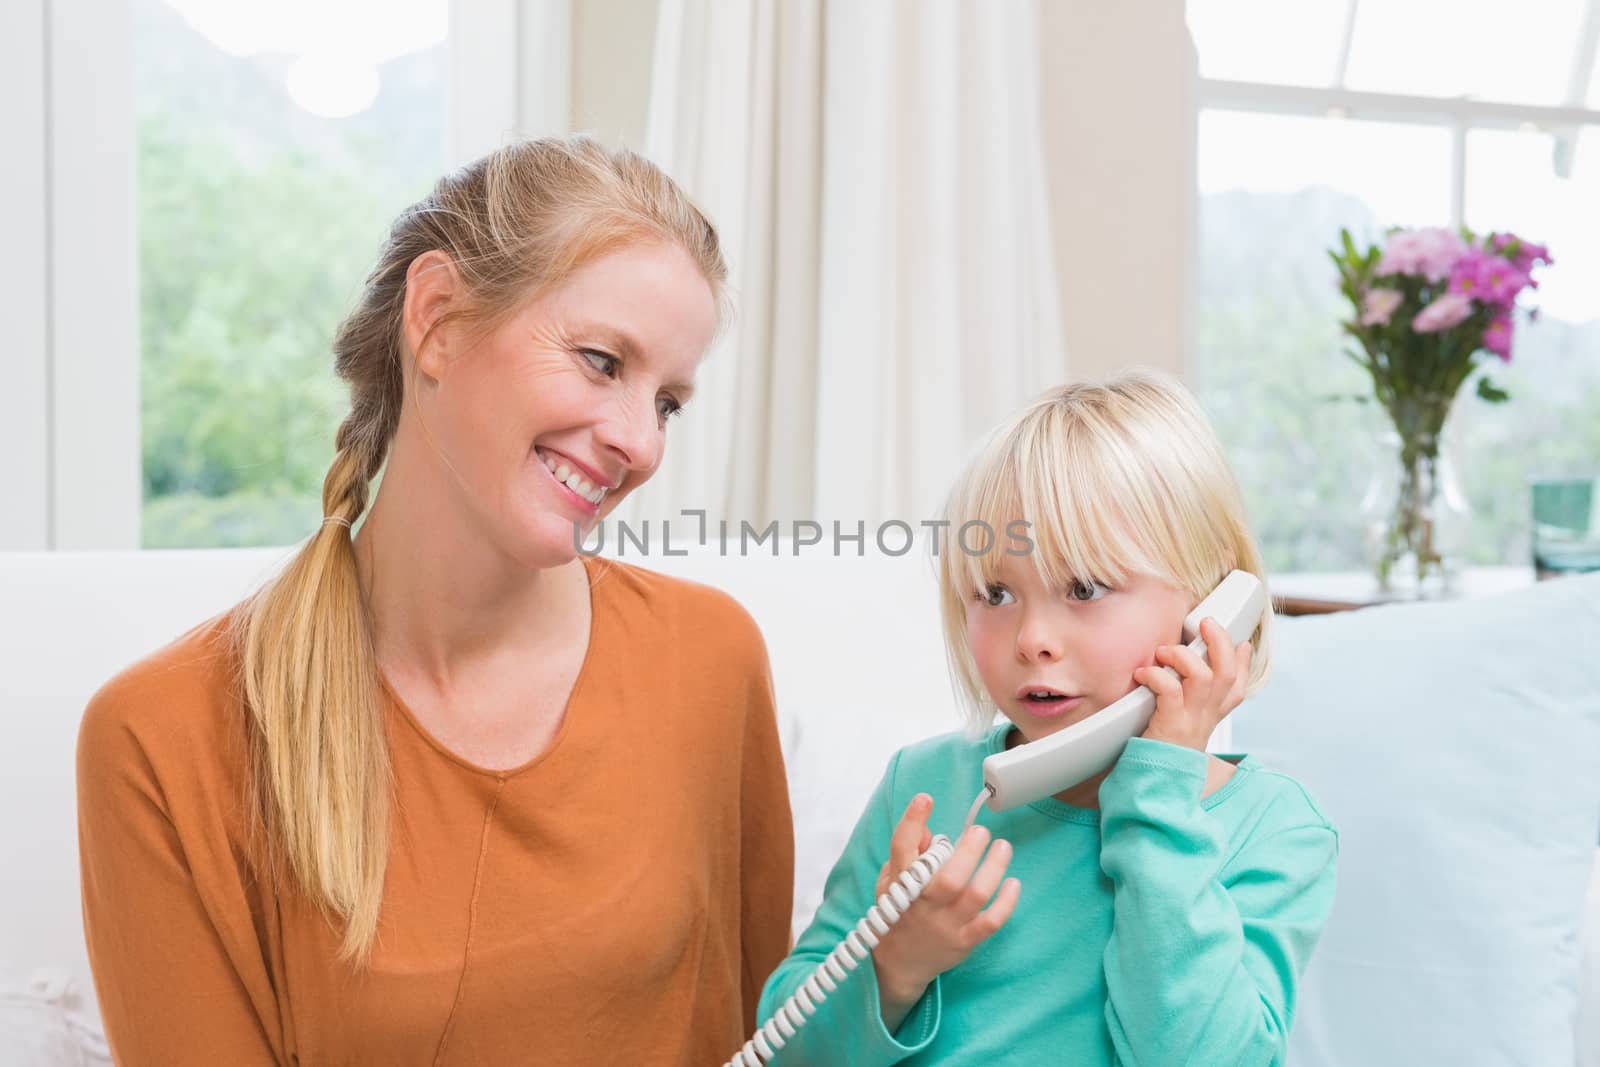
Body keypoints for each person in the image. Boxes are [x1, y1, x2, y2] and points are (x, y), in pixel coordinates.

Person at [76, 136, 794, 1066]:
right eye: (602, 360)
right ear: (439, 318)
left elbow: (767, 1031)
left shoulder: (710, 659)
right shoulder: (162, 739)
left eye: (669, 402)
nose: (641, 444)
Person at [753, 370, 1338, 1065]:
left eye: (1085, 587)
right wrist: (897, 964)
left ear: (1211, 606)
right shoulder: (927, 786)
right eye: (996, 591)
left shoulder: (1275, 829)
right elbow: (787, 1049)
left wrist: (1159, 791)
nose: (1033, 637)